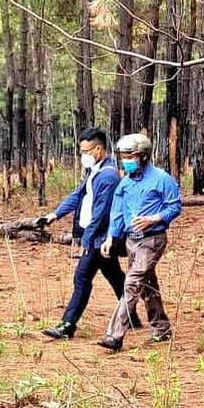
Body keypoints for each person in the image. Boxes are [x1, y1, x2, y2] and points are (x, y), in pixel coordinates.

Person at [37, 128, 128, 340]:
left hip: (100, 238)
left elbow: (101, 213)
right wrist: (55, 214)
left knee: (82, 277)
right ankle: (130, 314)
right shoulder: (94, 171)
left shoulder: (108, 176)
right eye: (81, 152)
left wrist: (86, 240)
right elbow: (78, 194)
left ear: (98, 149)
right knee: (114, 276)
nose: (82, 156)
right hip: (97, 238)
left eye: (85, 151)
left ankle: (68, 325)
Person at [98, 132, 181, 352]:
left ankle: (114, 336)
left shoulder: (162, 179)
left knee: (132, 283)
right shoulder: (124, 183)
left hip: (153, 239)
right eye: (123, 156)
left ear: (143, 156)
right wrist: (110, 237)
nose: (125, 160)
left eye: (130, 155)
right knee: (146, 284)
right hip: (131, 241)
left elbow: (174, 207)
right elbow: (117, 213)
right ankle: (161, 327)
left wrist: (153, 218)